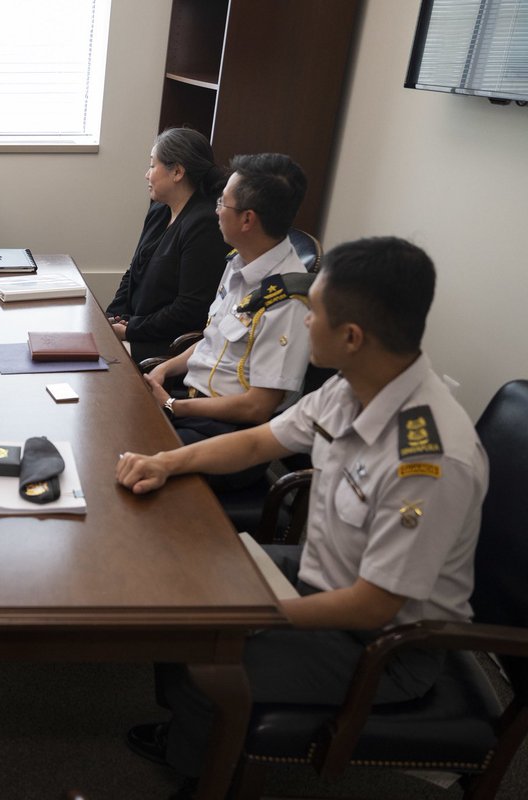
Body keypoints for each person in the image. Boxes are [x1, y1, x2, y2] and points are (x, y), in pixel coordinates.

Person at [115, 237, 488, 796]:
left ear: (352, 337)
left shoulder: (428, 459)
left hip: (383, 644)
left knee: (206, 651)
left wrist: (253, 614)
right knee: (180, 589)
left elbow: (376, 603)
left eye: (315, 311)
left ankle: (202, 776)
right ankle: (195, 737)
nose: (304, 319)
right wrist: (166, 460)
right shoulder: (354, 387)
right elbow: (256, 443)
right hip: (318, 575)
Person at [144, 153, 312, 490]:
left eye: (223, 202)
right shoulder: (239, 261)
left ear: (247, 219)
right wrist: (164, 370)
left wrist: (175, 406)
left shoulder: (287, 302)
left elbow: (256, 408)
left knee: (130, 460)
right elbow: (213, 339)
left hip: (231, 437)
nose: (216, 209)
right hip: (192, 406)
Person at [106, 128, 230, 364]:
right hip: (135, 328)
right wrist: (112, 316)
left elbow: (189, 309)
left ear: (177, 172)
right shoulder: (159, 210)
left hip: (168, 344)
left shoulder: (204, 225)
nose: (147, 174)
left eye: (152, 165)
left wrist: (131, 329)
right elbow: (134, 272)